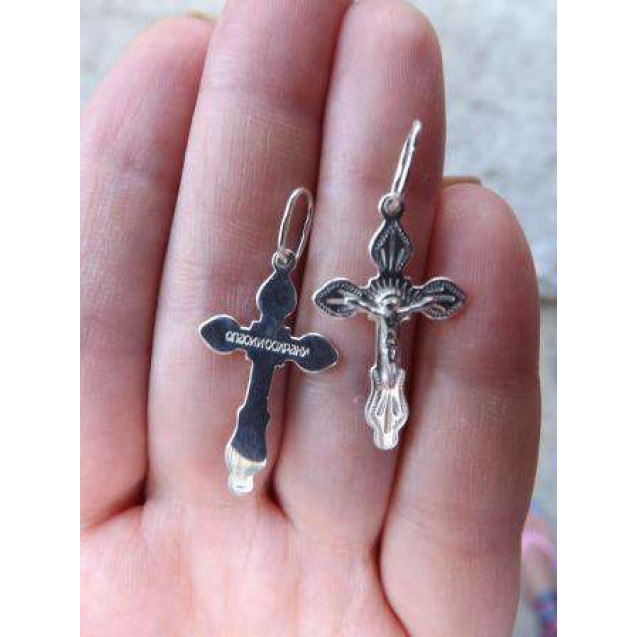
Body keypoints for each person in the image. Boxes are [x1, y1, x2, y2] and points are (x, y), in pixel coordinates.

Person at [81, 1, 543, 634]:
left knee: (398, 388)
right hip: (311, 361)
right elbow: (319, 314)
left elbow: (429, 300)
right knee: (267, 402)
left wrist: (400, 303)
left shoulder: (388, 301)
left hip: (384, 368)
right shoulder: (307, 319)